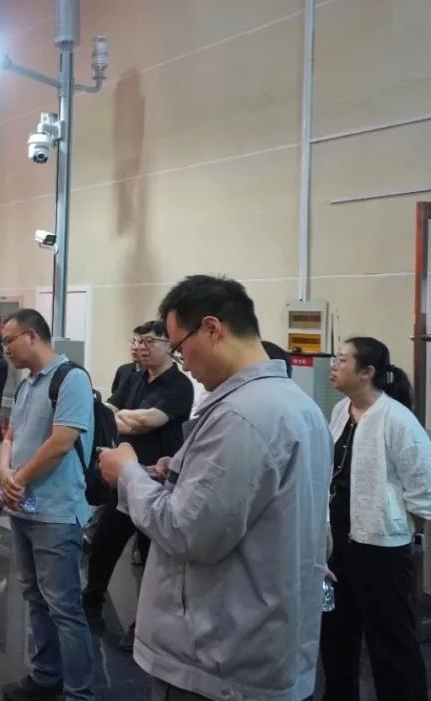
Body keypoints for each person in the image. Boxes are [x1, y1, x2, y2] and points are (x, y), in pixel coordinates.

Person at [98, 275, 332, 701]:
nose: (184, 363)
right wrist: (178, 473)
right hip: (265, 637)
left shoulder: (243, 416)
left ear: (211, 329)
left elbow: (185, 531)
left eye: (180, 346)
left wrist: (128, 473)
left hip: (217, 656)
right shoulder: (298, 406)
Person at [320, 337, 431, 700]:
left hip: (381, 548)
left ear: (366, 372)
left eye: (342, 360)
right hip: (339, 542)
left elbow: (423, 490)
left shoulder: (397, 419)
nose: (334, 366)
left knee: (390, 642)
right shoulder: (341, 410)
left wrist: (402, 531)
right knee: (336, 636)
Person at [0, 309, 96, 700]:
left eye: (9, 340)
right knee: (34, 597)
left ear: (32, 335)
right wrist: (4, 472)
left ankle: (79, 692)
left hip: (55, 513)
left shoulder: (71, 379)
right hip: (23, 509)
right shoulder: (26, 385)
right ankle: (45, 676)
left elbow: (61, 442)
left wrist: (18, 479)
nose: (5, 349)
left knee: (64, 608)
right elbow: (10, 435)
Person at [83, 319, 193, 650]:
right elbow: (109, 413)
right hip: (124, 481)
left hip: (157, 481)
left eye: (150, 342)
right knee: (103, 546)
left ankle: (142, 626)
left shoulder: (179, 385)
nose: (141, 348)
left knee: (151, 560)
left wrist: (125, 418)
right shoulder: (131, 376)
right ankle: (90, 604)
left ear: (169, 346)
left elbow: (148, 421)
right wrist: (126, 418)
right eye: (138, 341)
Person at [111, 324, 147, 396]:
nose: (134, 347)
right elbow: (115, 397)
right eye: (133, 341)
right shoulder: (123, 370)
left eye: (140, 342)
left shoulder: (152, 375)